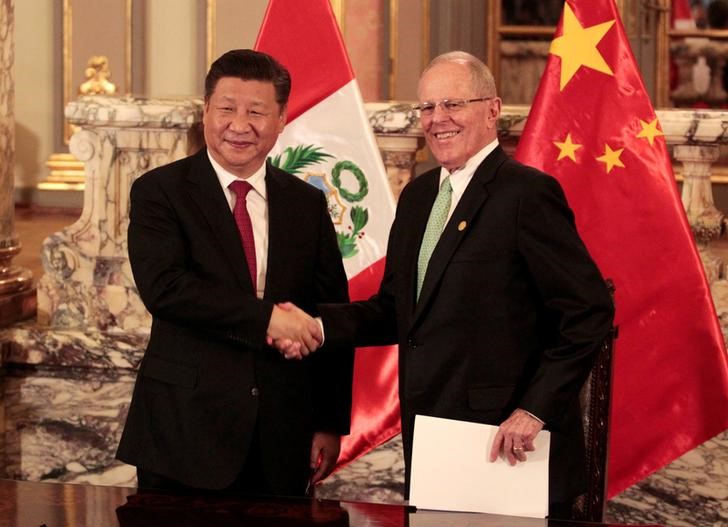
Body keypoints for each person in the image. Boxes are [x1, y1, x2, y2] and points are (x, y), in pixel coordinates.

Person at [279, 51, 615, 518]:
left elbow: (589, 311)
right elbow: (396, 309)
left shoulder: (526, 194)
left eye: (453, 105)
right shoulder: (419, 196)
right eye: (428, 108)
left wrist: (534, 411)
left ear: (492, 110)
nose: (438, 120)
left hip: (508, 447)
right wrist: (316, 325)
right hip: (434, 444)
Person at [116, 49, 354, 497]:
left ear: (282, 120)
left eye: (257, 112)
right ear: (205, 111)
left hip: (282, 437)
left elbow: (330, 313)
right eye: (226, 109)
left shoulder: (306, 203)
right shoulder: (160, 192)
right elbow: (166, 289)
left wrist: (329, 422)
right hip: (184, 434)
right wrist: (268, 319)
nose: (239, 125)